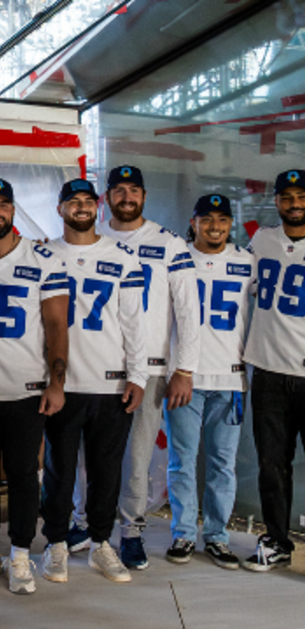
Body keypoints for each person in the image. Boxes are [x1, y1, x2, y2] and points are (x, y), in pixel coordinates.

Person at [0, 179, 69, 595]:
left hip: (26, 388)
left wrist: (57, 382)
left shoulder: (42, 259)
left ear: (12, 210)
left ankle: (21, 552)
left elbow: (58, 324)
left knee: (25, 475)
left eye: (4, 204)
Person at [40, 178, 147, 585]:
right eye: (73, 202)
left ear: (97, 207)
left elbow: (135, 324)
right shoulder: (42, 254)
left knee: (105, 472)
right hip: (63, 384)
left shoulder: (122, 258)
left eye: (88, 201)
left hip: (111, 382)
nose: (81, 208)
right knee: (59, 471)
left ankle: (102, 543)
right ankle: (55, 544)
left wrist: (137, 375)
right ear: (61, 209)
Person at [99, 165, 200, 570]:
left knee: (136, 458)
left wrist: (185, 369)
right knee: (89, 455)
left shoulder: (169, 243)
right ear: (107, 196)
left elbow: (189, 310)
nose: (126, 197)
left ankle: (131, 532)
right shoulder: (91, 237)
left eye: (133, 191)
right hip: (95, 365)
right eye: (118, 190)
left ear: (144, 196)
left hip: (153, 368)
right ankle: (84, 522)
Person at [164, 194, 250, 569]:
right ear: (193, 221)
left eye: (222, 219)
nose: (215, 226)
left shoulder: (249, 262)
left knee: (222, 463)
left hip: (230, 379)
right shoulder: (176, 258)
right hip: (186, 378)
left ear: (231, 224)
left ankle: (216, 536)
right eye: (207, 219)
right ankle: (183, 534)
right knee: (182, 460)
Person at [242, 169, 305, 572]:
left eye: (301, 196)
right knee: (271, 464)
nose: (295, 203)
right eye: (287, 197)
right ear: (277, 201)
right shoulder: (262, 240)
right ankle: (278, 541)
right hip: (267, 370)